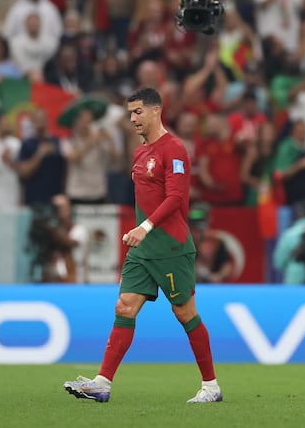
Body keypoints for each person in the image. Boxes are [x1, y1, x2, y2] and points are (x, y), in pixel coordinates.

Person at [64, 87, 221, 404]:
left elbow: (176, 198)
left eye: (137, 112)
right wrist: (142, 233)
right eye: (129, 113)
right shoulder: (140, 152)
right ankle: (102, 383)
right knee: (124, 307)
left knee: (184, 312)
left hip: (170, 247)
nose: (132, 118)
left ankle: (211, 386)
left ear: (155, 111)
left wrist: (145, 227)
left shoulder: (174, 150)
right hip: (142, 250)